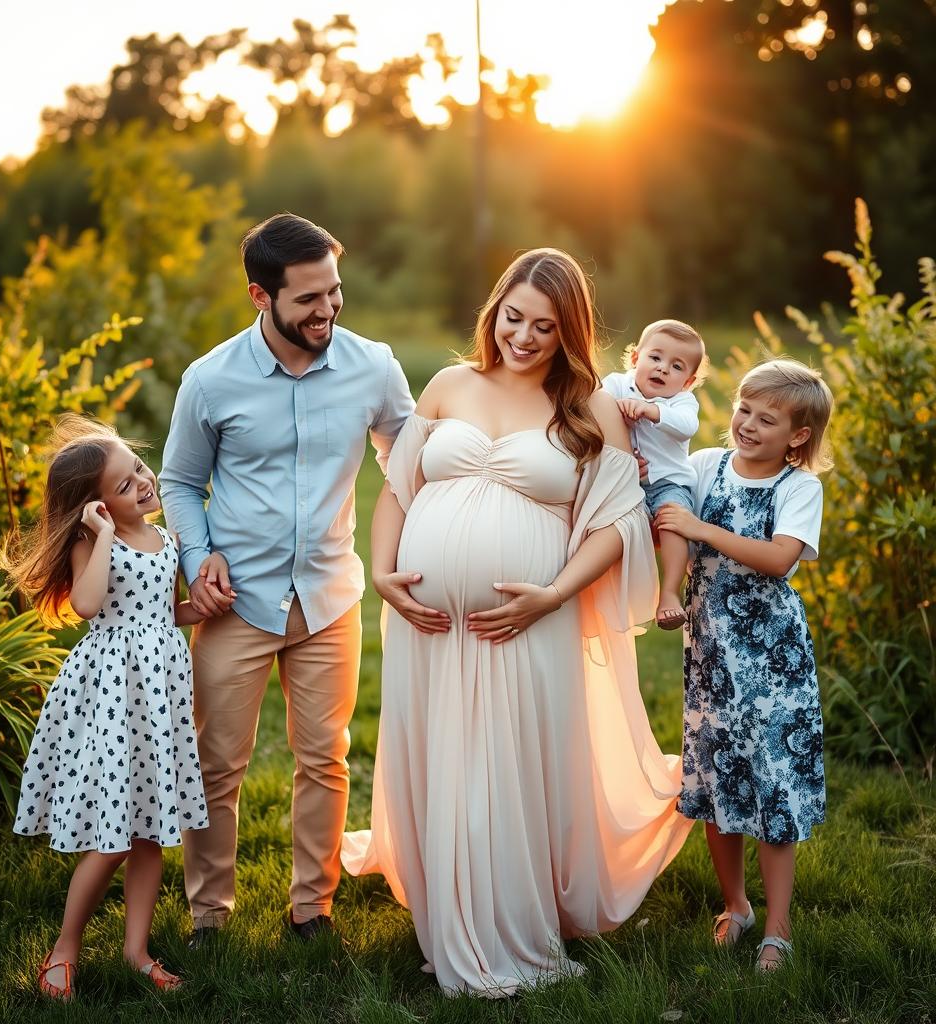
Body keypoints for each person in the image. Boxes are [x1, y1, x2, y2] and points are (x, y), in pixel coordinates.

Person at [341, 248, 693, 997]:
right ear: (493, 309)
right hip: (429, 624)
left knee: (511, 767)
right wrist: (382, 574)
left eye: (544, 325)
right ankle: (448, 917)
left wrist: (554, 593)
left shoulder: (591, 406)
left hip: (529, 621)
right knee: (444, 759)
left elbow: (615, 525)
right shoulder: (447, 383)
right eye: (513, 317)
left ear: (569, 330)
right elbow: (397, 493)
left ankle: (509, 926)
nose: (524, 337)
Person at [159, 213, 414, 944]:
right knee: (217, 766)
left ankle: (313, 909)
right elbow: (179, 481)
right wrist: (196, 556)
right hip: (235, 602)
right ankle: (209, 914)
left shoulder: (374, 365)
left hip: (331, 595)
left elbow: (406, 452)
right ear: (259, 296)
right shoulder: (210, 380)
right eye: (308, 299)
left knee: (325, 759)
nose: (327, 310)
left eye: (334, 292)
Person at [0, 414, 210, 1000]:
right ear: (94, 508)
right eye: (123, 486)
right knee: (112, 837)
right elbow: (90, 605)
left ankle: (136, 951)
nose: (142, 483)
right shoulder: (93, 544)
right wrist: (104, 535)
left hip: (159, 696)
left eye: (138, 469)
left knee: (150, 835)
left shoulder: (164, 540)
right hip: (112, 698)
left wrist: (201, 608)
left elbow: (162, 612)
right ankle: (65, 945)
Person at [655, 358, 833, 972]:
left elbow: (779, 559)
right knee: (718, 783)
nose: (748, 425)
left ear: (798, 436)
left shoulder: (796, 489)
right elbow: (668, 516)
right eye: (744, 410)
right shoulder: (706, 466)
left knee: (774, 788)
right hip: (710, 658)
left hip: (772, 663)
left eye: (767, 418)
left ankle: (778, 930)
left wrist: (700, 525)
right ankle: (738, 906)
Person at [602, 319, 706, 630]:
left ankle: (670, 592)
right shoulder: (617, 384)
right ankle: (613, 595)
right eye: (655, 358)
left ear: (687, 381)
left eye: (676, 366)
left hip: (667, 483)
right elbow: (594, 407)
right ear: (636, 359)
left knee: (673, 519)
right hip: (624, 482)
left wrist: (651, 410)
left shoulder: (682, 402)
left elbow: (688, 425)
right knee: (609, 528)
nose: (662, 369)